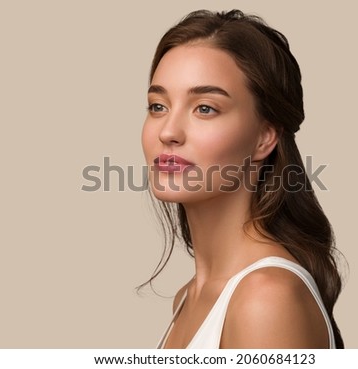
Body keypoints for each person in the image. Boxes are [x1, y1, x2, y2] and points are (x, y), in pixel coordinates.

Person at [141, 9, 344, 349]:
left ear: (265, 137)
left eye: (205, 108)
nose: (169, 132)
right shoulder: (187, 299)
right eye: (158, 106)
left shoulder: (265, 299)